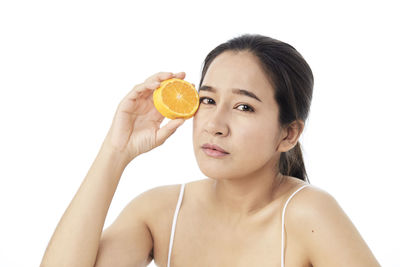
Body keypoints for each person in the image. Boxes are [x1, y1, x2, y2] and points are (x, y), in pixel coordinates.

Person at [40, 34, 381, 267]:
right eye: (208, 100)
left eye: (244, 107)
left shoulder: (309, 213)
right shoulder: (161, 211)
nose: (215, 124)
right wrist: (115, 152)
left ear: (288, 134)